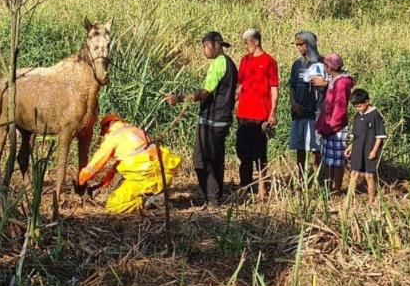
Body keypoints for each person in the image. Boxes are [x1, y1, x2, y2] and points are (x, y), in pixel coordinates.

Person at [165, 31, 237, 206]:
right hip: (223, 118)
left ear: (215, 45)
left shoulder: (218, 64)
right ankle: (216, 196)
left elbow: (205, 93)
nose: (204, 50)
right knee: (216, 159)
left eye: (205, 46)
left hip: (212, 120)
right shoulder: (230, 64)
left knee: (201, 160)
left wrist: (179, 98)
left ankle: (212, 199)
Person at [77, 114, 181, 213]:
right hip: (163, 172)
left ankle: (150, 201)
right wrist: (100, 186)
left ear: (105, 128)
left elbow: (94, 166)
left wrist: (80, 180)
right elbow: (115, 170)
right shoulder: (134, 130)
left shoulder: (112, 137)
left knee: (113, 206)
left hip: (143, 175)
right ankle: (155, 194)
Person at [235, 28, 279, 200]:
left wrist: (272, 112)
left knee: (260, 153)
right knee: (243, 152)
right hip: (243, 113)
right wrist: (233, 102)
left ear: (256, 42)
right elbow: (240, 87)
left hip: (260, 115)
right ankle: (245, 187)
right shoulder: (244, 61)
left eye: (247, 43)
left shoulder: (269, 62)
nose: (246, 46)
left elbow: (274, 89)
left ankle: (262, 188)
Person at [288, 31, 327, 180]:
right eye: (296, 45)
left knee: (316, 148)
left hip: (316, 112)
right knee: (299, 147)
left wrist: (326, 83)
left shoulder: (322, 63)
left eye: (301, 44)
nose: (298, 47)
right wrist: (293, 102)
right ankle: (300, 179)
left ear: (309, 43)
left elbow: (336, 81)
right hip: (299, 112)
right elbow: (291, 85)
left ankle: (318, 178)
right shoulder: (297, 64)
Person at [315, 53, 354, 195]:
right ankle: (329, 186)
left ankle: (336, 188)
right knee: (329, 158)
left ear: (330, 67)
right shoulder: (335, 80)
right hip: (329, 125)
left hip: (336, 127)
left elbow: (340, 108)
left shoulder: (342, 83)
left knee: (337, 160)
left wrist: (331, 126)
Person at [345, 89, 387, 203]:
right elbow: (356, 135)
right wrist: (350, 147)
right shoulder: (358, 116)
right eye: (355, 107)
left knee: (369, 175)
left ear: (367, 102)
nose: (357, 109)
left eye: (359, 106)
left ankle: (371, 200)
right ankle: (349, 199)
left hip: (370, 148)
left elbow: (380, 136)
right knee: (354, 173)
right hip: (358, 148)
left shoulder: (375, 115)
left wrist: (374, 151)